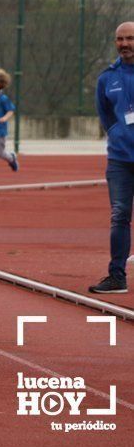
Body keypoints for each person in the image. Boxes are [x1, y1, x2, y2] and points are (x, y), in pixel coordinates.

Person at [89, 21, 134, 295]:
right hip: (120, 161)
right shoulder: (108, 77)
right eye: (120, 39)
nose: (125, 44)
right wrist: (118, 133)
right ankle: (117, 276)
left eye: (130, 38)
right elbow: (105, 116)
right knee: (119, 216)